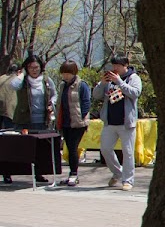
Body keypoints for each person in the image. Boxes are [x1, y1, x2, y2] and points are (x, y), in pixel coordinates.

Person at [94, 54, 143, 191]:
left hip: (126, 122)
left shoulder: (133, 78)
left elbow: (135, 93)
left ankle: (128, 180)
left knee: (127, 152)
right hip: (110, 121)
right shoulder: (109, 79)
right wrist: (103, 83)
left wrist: (120, 82)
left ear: (125, 65)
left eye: (118, 66)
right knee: (105, 149)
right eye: (113, 65)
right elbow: (96, 95)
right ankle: (117, 172)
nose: (115, 68)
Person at [57, 61, 91, 187]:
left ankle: (73, 174)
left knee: (73, 148)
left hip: (78, 123)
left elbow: (86, 102)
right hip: (65, 122)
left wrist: (82, 118)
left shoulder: (82, 85)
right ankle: (71, 174)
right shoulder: (62, 86)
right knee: (69, 148)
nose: (65, 76)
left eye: (68, 73)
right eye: (64, 73)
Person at [10, 54, 56, 132]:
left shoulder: (46, 80)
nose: (34, 70)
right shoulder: (23, 81)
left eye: (36, 67)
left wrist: (52, 103)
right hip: (24, 121)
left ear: (40, 67)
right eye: (30, 67)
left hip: (42, 121)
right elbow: (13, 85)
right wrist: (22, 73)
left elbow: (54, 94)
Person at [0, 63, 19, 130]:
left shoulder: (1, 78)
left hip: (2, 109)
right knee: (10, 135)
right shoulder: (18, 79)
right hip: (11, 112)